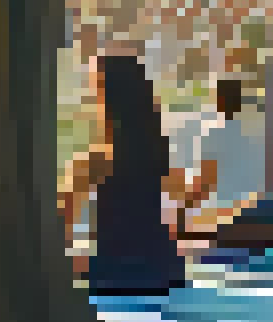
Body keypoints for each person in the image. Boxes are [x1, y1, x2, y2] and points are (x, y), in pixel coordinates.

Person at [61, 53, 187, 295]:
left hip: (116, 277)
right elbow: (177, 215)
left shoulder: (95, 162)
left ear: (107, 99)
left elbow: (63, 224)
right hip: (164, 274)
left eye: (95, 92)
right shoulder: (160, 151)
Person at [180, 77, 273, 247]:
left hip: (224, 216)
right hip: (254, 211)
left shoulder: (216, 136)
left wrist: (185, 205)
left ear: (220, 100)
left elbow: (206, 181)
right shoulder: (254, 137)